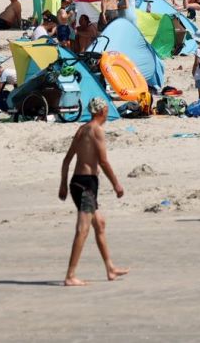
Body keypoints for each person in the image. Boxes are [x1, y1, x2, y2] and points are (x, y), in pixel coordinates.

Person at [59, 98, 128, 285]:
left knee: (100, 223)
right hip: (86, 184)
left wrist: (64, 185)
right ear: (102, 112)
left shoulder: (82, 129)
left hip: (77, 183)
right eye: (106, 111)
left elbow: (66, 160)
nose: (107, 115)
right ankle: (70, 275)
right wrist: (116, 185)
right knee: (83, 229)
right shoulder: (96, 130)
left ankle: (110, 268)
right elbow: (103, 161)